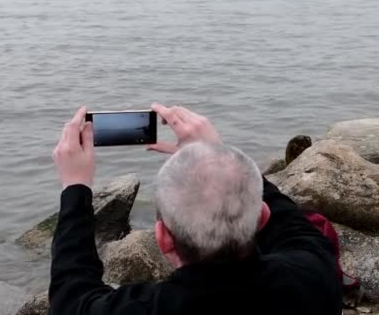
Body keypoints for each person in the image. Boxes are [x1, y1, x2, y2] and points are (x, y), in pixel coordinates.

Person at [49, 104, 342, 315]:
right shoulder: (313, 274)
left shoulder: (147, 307)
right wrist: (216, 153)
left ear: (163, 239)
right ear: (262, 216)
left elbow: (70, 294)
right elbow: (291, 224)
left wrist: (75, 186)